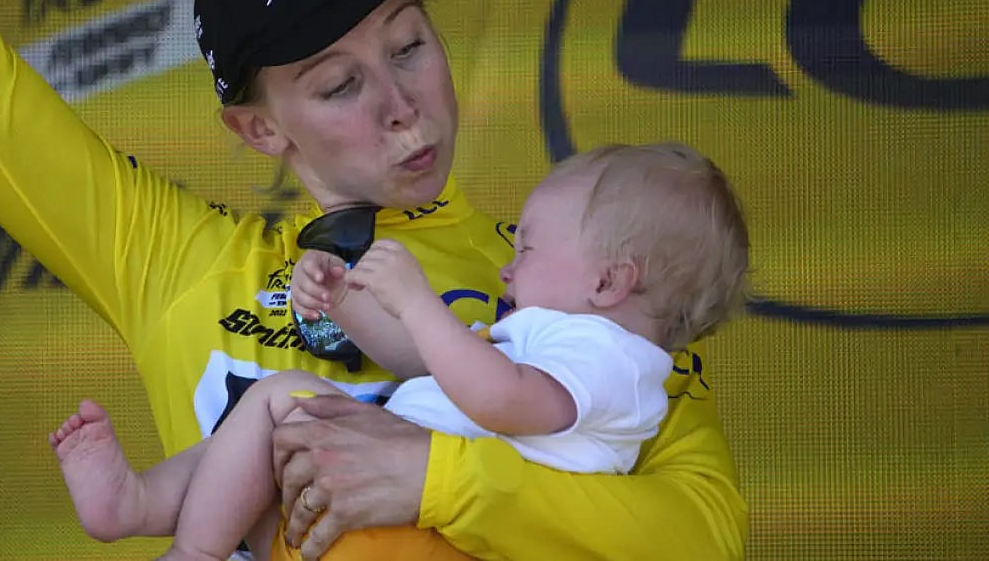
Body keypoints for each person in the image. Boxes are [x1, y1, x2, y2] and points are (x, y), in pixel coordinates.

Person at [0, 0, 748, 559]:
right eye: (340, 83)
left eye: (408, 45)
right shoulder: (167, 259)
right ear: (259, 127)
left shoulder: (568, 280)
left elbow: (704, 536)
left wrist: (442, 477)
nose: (403, 105)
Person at [50, 142, 750, 561]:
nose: (509, 268)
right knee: (277, 410)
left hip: (424, 544)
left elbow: (501, 399)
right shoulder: (545, 343)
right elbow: (428, 367)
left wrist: (419, 302)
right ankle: (140, 505)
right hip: (371, 524)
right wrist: (345, 301)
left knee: (279, 410)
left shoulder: (614, 361)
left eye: (528, 247)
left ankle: (192, 547)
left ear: (608, 280)